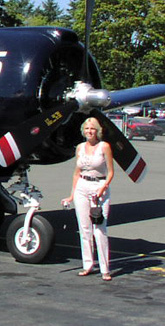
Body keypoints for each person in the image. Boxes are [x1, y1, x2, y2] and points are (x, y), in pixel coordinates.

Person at [61, 117, 114, 281]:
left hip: (99, 187)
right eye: (87, 129)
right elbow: (76, 173)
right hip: (82, 187)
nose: (89, 131)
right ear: (83, 131)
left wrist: (103, 188)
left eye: (92, 129)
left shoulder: (104, 147)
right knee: (85, 230)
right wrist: (71, 195)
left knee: (99, 230)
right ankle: (88, 265)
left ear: (97, 131)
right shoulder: (80, 148)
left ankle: (105, 269)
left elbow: (111, 172)